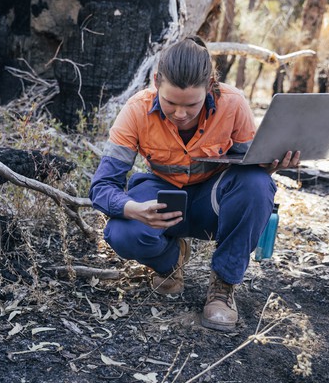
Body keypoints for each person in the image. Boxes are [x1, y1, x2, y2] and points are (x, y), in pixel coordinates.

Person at [89, 36, 300, 332]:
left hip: (213, 203)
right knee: (120, 231)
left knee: (256, 183)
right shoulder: (136, 110)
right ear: (156, 81)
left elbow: (251, 171)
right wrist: (133, 208)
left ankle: (223, 286)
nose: (181, 114)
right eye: (170, 103)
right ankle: (170, 262)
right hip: (163, 200)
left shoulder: (233, 103)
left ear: (211, 84)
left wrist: (272, 164)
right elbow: (101, 187)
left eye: (192, 104)